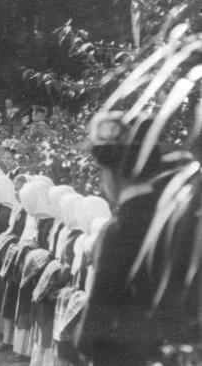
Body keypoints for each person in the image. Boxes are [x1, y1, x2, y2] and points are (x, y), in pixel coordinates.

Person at [75, 111, 199, 366]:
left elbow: (94, 326)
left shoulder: (117, 231)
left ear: (112, 172)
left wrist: (82, 341)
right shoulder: (180, 219)